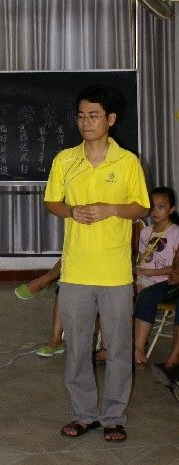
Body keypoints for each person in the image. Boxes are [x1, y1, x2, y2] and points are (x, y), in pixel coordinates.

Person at [44, 85, 149, 443]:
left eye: (93, 115)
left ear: (111, 119)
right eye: (81, 115)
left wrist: (111, 209)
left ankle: (114, 417)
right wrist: (71, 211)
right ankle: (83, 414)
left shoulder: (128, 161)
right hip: (76, 270)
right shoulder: (65, 160)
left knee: (118, 348)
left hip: (115, 272)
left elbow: (141, 206)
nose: (86, 122)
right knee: (77, 347)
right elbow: (52, 202)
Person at [134, 186, 179, 292]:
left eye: (161, 206)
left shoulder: (175, 232)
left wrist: (149, 272)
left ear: (171, 209)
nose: (155, 210)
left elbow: (176, 267)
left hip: (166, 281)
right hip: (144, 278)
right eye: (152, 206)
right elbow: (141, 260)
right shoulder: (145, 231)